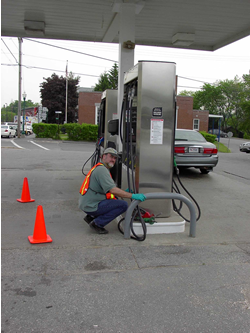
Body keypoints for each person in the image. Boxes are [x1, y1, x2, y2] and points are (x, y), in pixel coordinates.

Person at [79, 147, 146, 234]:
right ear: (103, 156)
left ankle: (91, 217)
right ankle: (97, 223)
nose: (113, 160)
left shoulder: (100, 167)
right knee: (123, 205)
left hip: (87, 203)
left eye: (115, 158)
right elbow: (112, 190)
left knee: (115, 200)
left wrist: (122, 191)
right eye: (111, 156)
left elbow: (109, 190)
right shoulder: (102, 170)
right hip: (91, 205)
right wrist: (132, 196)